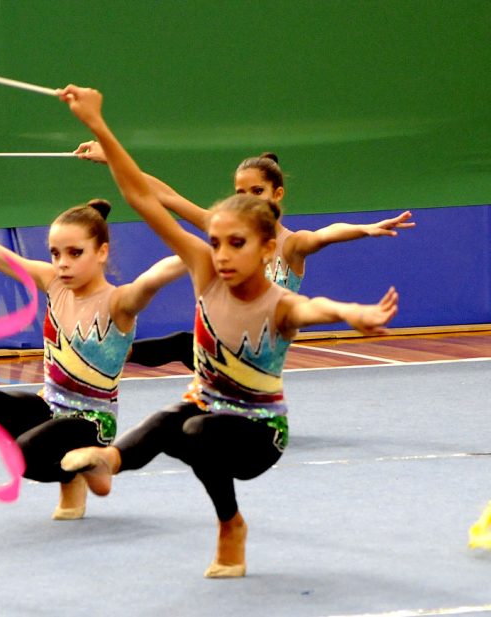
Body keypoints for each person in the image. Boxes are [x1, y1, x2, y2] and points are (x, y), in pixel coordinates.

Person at [57, 84, 399, 577]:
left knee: (192, 425)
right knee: (174, 418)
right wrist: (98, 126)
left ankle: (226, 524)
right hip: (207, 409)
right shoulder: (204, 268)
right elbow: (145, 197)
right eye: (214, 242)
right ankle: (112, 462)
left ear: (265, 249)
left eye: (235, 244)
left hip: (258, 434)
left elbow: (311, 306)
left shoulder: (279, 295)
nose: (220, 254)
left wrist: (352, 313)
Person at [0, 163, 187, 520]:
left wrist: (209, 247)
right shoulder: (52, 282)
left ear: (101, 252)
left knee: (22, 456)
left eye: (75, 253)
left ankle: (90, 464)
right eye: (55, 253)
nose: (62, 264)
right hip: (51, 405)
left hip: (92, 422)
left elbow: (158, 274)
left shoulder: (118, 303)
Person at [75, 141, 413, 371]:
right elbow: (168, 196)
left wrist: (365, 228)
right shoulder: (226, 230)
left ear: (277, 194)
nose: (249, 198)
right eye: (241, 192)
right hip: (223, 344)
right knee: (184, 343)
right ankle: (111, 353)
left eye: (258, 191)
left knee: (184, 346)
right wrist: (112, 158)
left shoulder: (291, 245)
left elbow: (327, 233)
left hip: (257, 355)